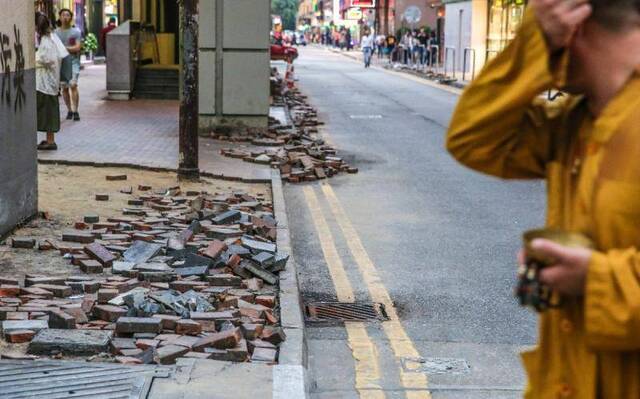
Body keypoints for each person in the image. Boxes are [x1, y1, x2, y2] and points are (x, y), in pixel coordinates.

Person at [446, 0, 640, 397]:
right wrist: (534, 45)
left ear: (573, 22)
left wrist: (597, 280)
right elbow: (473, 139)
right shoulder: (575, 122)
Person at [36, 12, 68, 151]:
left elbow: (46, 59)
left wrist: (34, 59)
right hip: (50, 81)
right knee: (47, 110)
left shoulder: (46, 40)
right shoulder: (52, 37)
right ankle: (49, 139)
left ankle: (50, 141)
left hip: (46, 82)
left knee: (47, 110)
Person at [55, 8, 82, 122]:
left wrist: (63, 48)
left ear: (71, 17)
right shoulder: (55, 33)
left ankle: (76, 111)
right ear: (60, 17)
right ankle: (69, 110)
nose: (65, 17)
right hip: (61, 63)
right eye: (63, 15)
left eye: (67, 15)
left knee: (73, 85)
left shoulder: (76, 32)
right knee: (64, 88)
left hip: (73, 62)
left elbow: (77, 47)